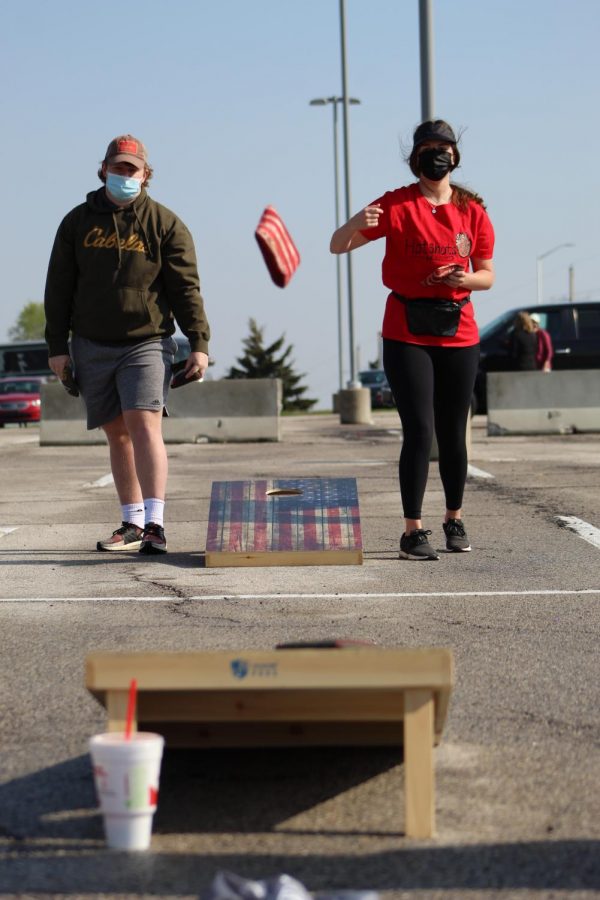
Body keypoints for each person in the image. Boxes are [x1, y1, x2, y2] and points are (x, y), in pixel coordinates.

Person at [330, 119, 495, 560]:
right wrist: (351, 223)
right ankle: (412, 530)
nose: (437, 155)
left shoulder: (472, 211)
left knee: (453, 431)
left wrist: (466, 277)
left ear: (455, 157)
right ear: (415, 157)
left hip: (459, 330)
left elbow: (488, 275)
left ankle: (454, 518)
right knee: (420, 431)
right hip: (407, 330)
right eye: (428, 149)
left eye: (444, 148)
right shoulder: (396, 204)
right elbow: (337, 245)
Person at [44, 134, 211, 554]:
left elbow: (186, 288)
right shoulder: (76, 222)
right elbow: (58, 288)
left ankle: (155, 523)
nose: (124, 175)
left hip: (147, 342)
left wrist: (199, 343)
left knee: (143, 422)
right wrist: (57, 347)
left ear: (146, 175)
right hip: (91, 343)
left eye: (131, 169)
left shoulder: (166, 224)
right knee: (116, 434)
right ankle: (132, 523)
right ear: (103, 169)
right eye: (117, 167)